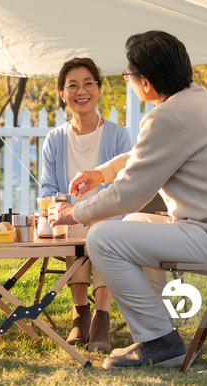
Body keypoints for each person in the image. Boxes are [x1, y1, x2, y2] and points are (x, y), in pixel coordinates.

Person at [49, 31, 207, 369]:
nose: (129, 80)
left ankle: (158, 342)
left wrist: (75, 213)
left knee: (102, 237)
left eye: (129, 74)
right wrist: (102, 172)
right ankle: (159, 335)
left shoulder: (168, 116)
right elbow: (148, 153)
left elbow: (131, 193)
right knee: (135, 224)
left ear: (147, 82)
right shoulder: (197, 100)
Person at [40, 57, 132, 352]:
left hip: (110, 218)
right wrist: (64, 209)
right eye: (73, 86)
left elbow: (124, 188)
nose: (82, 92)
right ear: (62, 94)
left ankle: (100, 317)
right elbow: (47, 189)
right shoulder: (54, 139)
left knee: (101, 231)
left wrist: (96, 216)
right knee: (75, 227)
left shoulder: (118, 135)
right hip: (69, 222)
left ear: (99, 89)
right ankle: (80, 312)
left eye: (88, 84)